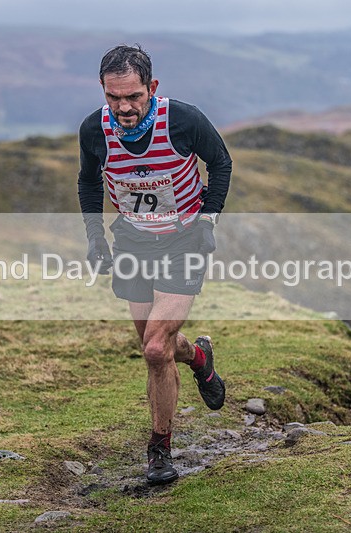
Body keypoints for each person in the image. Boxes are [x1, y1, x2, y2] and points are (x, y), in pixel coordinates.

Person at [77, 44, 232, 485]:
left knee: (154, 348)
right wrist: (95, 237)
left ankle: (159, 448)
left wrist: (208, 219)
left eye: (133, 96)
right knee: (157, 345)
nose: (124, 107)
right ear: (103, 91)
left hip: (183, 239)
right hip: (132, 241)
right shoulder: (94, 130)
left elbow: (220, 162)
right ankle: (200, 358)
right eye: (113, 97)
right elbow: (89, 181)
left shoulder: (183, 120)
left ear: (152, 87)